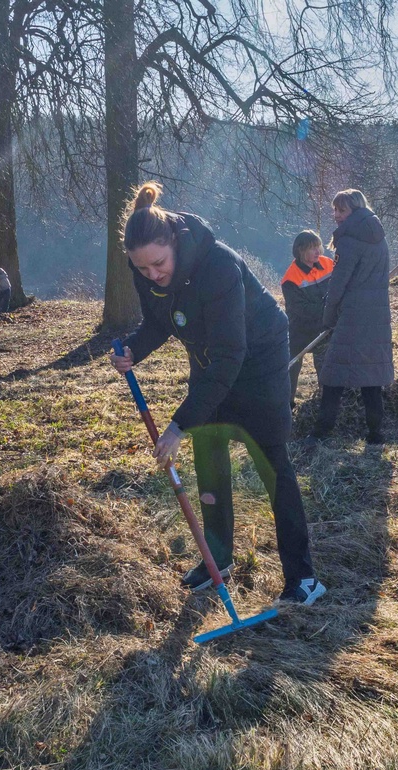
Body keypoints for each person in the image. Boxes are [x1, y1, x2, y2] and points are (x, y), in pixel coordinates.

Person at [110, 181, 324, 606]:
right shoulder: (147, 269)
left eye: (158, 265)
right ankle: (217, 560)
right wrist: (135, 347)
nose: (153, 275)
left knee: (272, 464)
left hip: (257, 358)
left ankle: (303, 578)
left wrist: (179, 424)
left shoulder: (219, 266)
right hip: (211, 362)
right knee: (209, 459)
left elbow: (231, 355)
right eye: (143, 269)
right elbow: (159, 320)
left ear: (173, 242)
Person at [313, 189, 394, 445]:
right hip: (377, 313)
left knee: (333, 374)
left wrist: (328, 316)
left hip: (352, 314)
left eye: (342, 210)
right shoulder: (379, 237)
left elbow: (338, 283)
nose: (337, 216)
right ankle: (375, 433)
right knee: (371, 375)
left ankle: (322, 430)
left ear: (355, 210)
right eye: (335, 210)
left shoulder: (348, 240)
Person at [282, 230, 335, 404]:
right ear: (300, 251)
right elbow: (302, 310)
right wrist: (329, 307)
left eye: (318, 246)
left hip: (324, 329)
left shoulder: (329, 264)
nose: (318, 251)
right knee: (291, 370)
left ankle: (325, 403)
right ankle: (286, 407)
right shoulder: (290, 279)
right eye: (312, 248)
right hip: (299, 331)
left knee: (325, 369)